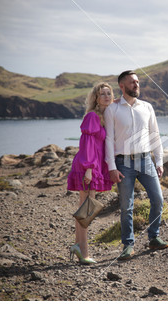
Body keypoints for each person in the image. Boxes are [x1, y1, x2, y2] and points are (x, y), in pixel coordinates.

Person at [104, 70, 168, 261]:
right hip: (122, 164)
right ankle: (128, 245)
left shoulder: (147, 107)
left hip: (146, 160)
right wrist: (111, 167)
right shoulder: (112, 110)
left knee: (158, 199)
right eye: (132, 82)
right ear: (122, 86)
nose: (136, 85)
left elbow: (154, 134)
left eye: (138, 82)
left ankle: (154, 237)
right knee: (126, 206)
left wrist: (159, 161)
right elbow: (108, 140)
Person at [67, 82, 114, 264]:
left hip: (91, 166)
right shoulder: (92, 116)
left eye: (109, 93)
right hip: (87, 166)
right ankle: (84, 253)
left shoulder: (102, 117)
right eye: (102, 94)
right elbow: (87, 144)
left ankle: (78, 245)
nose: (106, 97)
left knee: (85, 208)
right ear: (95, 98)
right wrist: (88, 169)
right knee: (88, 209)